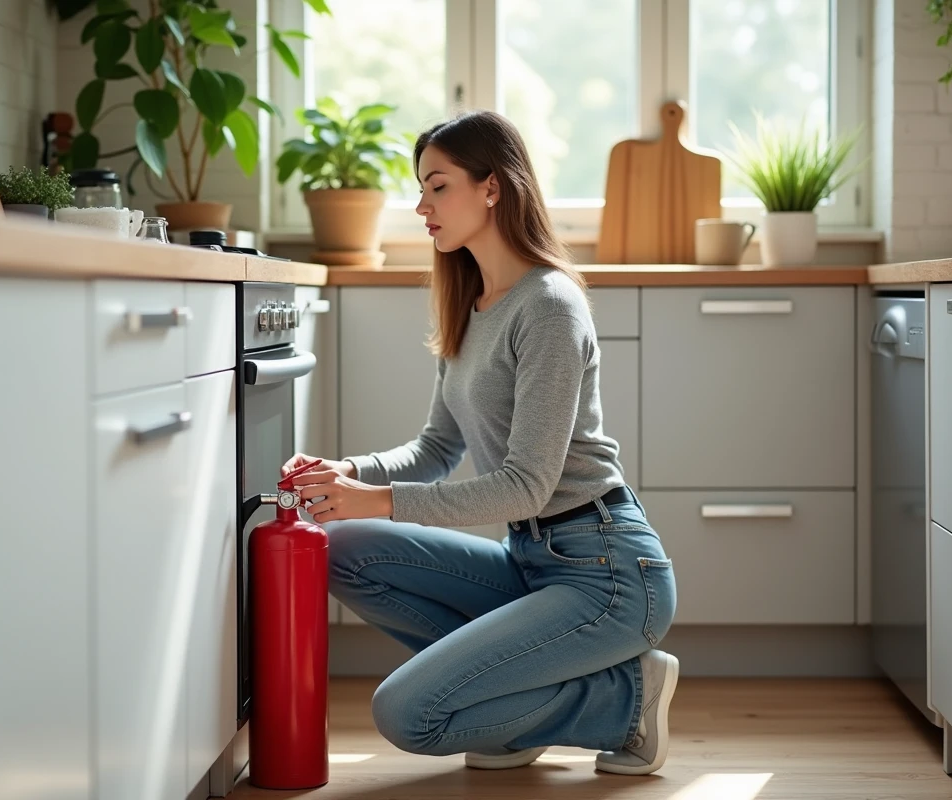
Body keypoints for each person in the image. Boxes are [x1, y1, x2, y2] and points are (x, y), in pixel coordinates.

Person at [281, 109, 678, 776]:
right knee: (342, 549)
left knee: (406, 715)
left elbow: (526, 485)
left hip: (606, 573)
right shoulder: (474, 304)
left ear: (492, 187)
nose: (421, 206)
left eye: (438, 187)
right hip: (530, 560)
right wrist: (344, 473)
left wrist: (370, 498)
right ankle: (522, 707)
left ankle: (625, 700)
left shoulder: (548, 305)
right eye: (420, 189)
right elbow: (436, 449)